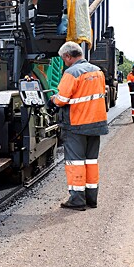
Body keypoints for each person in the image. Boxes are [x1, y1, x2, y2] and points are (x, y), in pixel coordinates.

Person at [47, 41, 108, 211]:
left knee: (75, 162)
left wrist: (52, 101)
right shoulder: (97, 71)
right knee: (91, 161)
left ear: (68, 56)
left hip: (77, 124)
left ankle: (77, 199)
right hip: (96, 124)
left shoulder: (72, 72)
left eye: (64, 59)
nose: (64, 62)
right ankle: (91, 199)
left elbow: (62, 99)